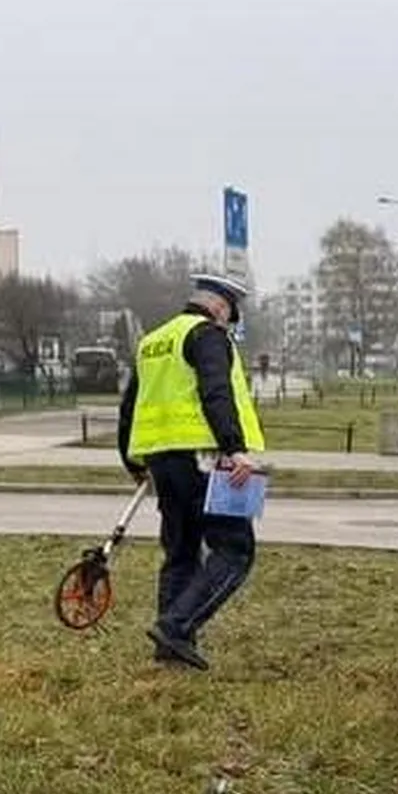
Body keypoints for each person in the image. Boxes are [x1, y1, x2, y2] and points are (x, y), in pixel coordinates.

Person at [116, 274, 264, 670]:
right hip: (208, 459)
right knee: (235, 551)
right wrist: (235, 448)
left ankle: (169, 650)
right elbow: (216, 390)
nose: (229, 324)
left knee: (180, 552)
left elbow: (129, 406)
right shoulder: (208, 335)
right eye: (230, 316)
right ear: (220, 306)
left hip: (164, 461)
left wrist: (133, 461)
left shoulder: (152, 342)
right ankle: (177, 627)